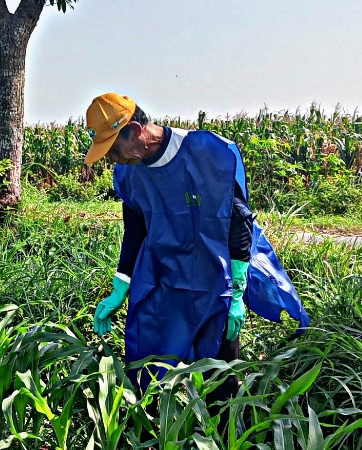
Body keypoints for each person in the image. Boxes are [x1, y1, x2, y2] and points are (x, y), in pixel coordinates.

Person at [84, 93, 310, 433]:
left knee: (219, 376)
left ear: (135, 130)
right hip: (167, 282)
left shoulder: (209, 154)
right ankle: (158, 431)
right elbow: (135, 231)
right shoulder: (129, 174)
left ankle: (222, 433)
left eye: (114, 147)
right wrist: (121, 286)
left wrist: (237, 293)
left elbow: (239, 221)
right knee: (149, 364)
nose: (112, 158)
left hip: (216, 284)